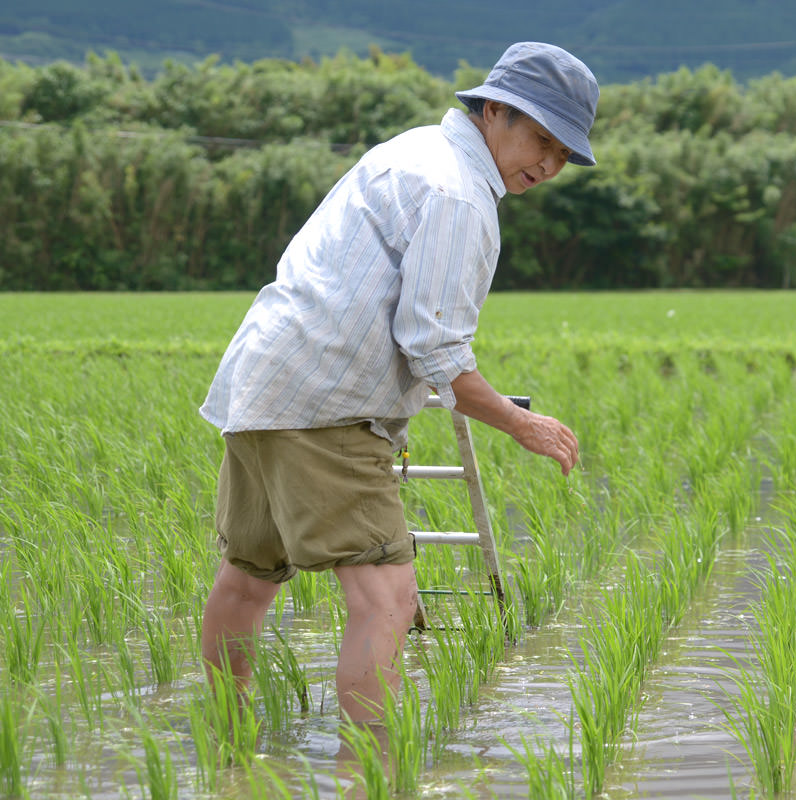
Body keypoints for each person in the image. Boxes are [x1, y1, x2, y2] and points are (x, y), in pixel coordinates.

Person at [198, 41, 596, 724]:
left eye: (565, 154)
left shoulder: (410, 150)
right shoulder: (460, 194)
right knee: (386, 599)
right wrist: (521, 422)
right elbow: (435, 349)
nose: (549, 164)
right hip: (328, 403)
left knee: (248, 576)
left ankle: (227, 741)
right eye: (542, 139)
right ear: (494, 109)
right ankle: (376, 772)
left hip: (262, 385)